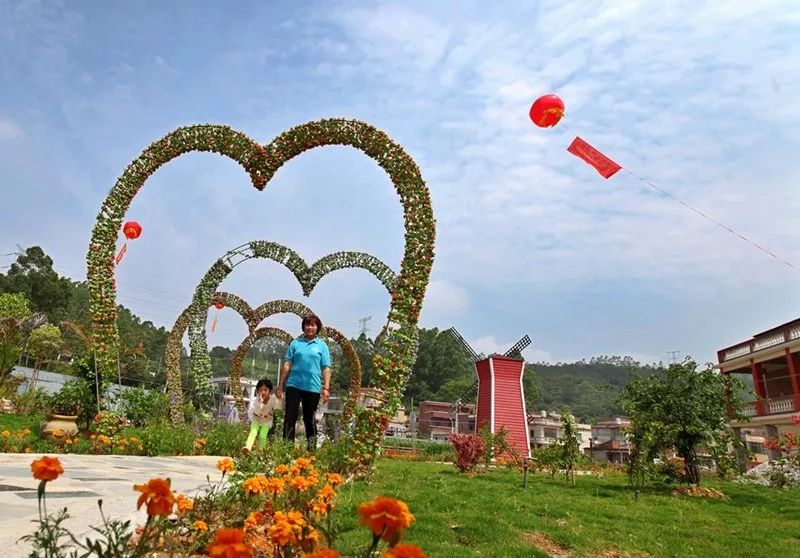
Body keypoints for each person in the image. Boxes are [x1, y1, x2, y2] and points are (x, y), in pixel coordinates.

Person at [275, 315, 331, 451]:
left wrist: (326, 388)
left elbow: (326, 368)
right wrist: (280, 385)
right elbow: (287, 365)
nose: (309, 327)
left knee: (309, 419)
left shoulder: (322, 346)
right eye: (307, 324)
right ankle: (286, 450)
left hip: (312, 387)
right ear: (303, 327)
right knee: (290, 417)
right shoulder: (295, 344)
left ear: (317, 328)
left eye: (312, 325)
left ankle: (311, 451)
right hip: (294, 385)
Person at [243, 378, 281, 454]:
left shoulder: (273, 399)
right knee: (253, 433)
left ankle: (261, 451)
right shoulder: (256, 400)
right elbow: (256, 412)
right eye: (260, 390)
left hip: (267, 421)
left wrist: (279, 399)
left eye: (265, 390)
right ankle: (247, 447)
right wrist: (260, 403)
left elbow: (278, 408)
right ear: (257, 391)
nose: (263, 392)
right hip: (256, 419)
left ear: (270, 391)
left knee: (263, 436)